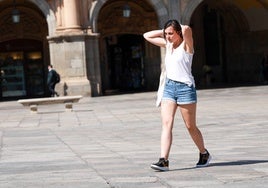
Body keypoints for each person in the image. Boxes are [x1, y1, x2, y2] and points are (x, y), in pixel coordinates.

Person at [143, 19, 211, 171]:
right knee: (167, 124)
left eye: (171, 34)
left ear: (178, 33)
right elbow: (146, 35)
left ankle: (203, 153)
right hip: (169, 88)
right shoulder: (168, 45)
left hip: (185, 89)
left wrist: (177, 28)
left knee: (190, 126)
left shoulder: (187, 46)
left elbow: (187, 28)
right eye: (166, 34)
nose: (167, 37)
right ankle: (164, 160)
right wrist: (164, 31)